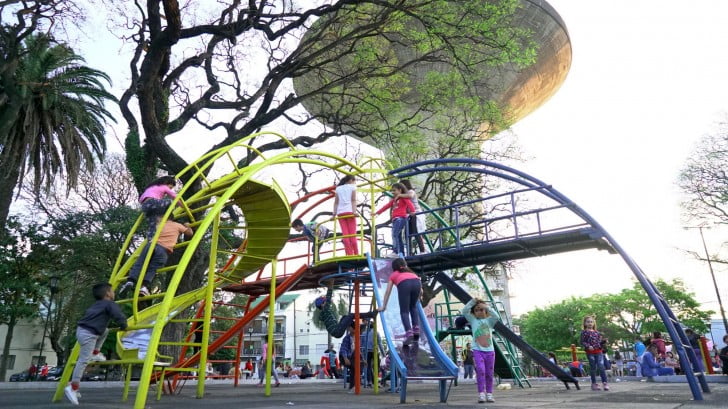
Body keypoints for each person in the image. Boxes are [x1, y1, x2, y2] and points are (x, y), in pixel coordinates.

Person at [64, 283, 128, 405]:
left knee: (106, 330)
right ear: (108, 293)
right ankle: (73, 387)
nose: (114, 293)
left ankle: (95, 352)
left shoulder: (96, 306)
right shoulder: (110, 304)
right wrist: (123, 325)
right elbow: (117, 314)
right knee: (83, 360)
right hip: (89, 334)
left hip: (83, 330)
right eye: (113, 291)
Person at [119, 217, 193, 296]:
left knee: (140, 263)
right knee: (153, 268)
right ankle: (144, 287)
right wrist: (187, 225)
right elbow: (190, 233)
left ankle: (130, 281)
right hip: (163, 250)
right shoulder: (177, 225)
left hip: (151, 245)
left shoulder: (159, 225)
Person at [460, 298, 499, 403]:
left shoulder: (489, 321)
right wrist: (473, 302)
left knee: (489, 373)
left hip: (490, 352)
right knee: (481, 371)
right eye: (477, 310)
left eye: (481, 310)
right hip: (478, 351)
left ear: (485, 311)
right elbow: (464, 311)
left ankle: (489, 394)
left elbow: (497, 316)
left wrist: (485, 306)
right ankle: (481, 393)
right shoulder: (473, 320)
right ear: (474, 312)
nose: (479, 312)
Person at [378, 258, 422, 345]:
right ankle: (416, 329)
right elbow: (421, 291)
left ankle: (409, 332)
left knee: (404, 311)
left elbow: (388, 291)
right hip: (417, 283)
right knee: (413, 307)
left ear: (394, 267)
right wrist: (419, 297)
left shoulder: (394, 275)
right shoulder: (412, 272)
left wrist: (384, 306)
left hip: (405, 285)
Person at [375, 183, 415, 257]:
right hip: (395, 219)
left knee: (395, 234)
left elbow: (410, 204)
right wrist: (377, 213)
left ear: (400, 190)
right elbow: (386, 206)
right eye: (392, 191)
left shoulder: (403, 198)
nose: (393, 192)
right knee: (397, 235)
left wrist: (412, 211)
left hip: (400, 218)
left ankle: (396, 251)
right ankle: (401, 253)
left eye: (394, 190)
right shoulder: (394, 200)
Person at [397, 179, 426, 254]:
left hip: (416, 213)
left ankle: (422, 250)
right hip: (410, 215)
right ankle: (409, 252)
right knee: (407, 233)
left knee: (416, 232)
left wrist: (399, 195)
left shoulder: (410, 192)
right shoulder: (403, 196)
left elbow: (410, 196)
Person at [580, 315, 609, 391]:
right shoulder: (584, 332)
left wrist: (604, 342)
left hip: (599, 351)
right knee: (593, 367)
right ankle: (594, 383)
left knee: (601, 366)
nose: (590, 323)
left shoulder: (597, 332)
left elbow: (599, 342)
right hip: (590, 352)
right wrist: (588, 346)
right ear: (585, 323)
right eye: (588, 322)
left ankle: (605, 382)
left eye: (591, 322)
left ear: (594, 323)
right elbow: (582, 342)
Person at [333, 175, 359, 255]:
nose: (355, 183)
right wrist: (354, 212)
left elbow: (336, 202)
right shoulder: (352, 187)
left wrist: (334, 214)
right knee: (352, 234)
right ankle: (356, 253)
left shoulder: (338, 188)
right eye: (354, 181)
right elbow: (353, 200)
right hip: (349, 212)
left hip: (340, 213)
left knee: (346, 235)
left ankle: (349, 254)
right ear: (351, 180)